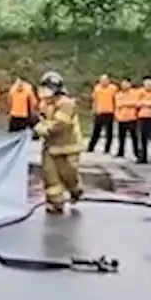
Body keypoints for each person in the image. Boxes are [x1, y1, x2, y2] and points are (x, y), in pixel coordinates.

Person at [33, 70, 84, 214]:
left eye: (47, 87)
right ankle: (55, 202)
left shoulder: (66, 104)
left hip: (68, 147)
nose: (44, 91)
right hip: (50, 147)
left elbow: (59, 125)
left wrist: (38, 127)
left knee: (68, 175)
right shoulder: (45, 104)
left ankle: (75, 190)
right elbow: (44, 121)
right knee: (50, 176)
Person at [87, 74, 118, 154]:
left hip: (109, 112)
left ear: (109, 80)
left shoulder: (113, 88)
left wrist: (116, 112)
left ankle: (107, 149)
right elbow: (94, 100)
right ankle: (91, 147)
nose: (104, 82)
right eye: (102, 80)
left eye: (105, 80)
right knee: (96, 131)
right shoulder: (97, 88)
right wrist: (93, 109)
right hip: (99, 112)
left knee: (109, 132)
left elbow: (116, 100)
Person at [113, 77, 138, 160]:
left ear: (130, 84)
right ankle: (121, 151)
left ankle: (136, 152)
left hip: (132, 117)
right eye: (122, 84)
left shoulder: (135, 93)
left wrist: (125, 104)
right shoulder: (118, 94)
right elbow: (118, 104)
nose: (124, 85)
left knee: (134, 136)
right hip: (121, 118)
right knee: (121, 136)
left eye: (126, 83)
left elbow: (135, 103)